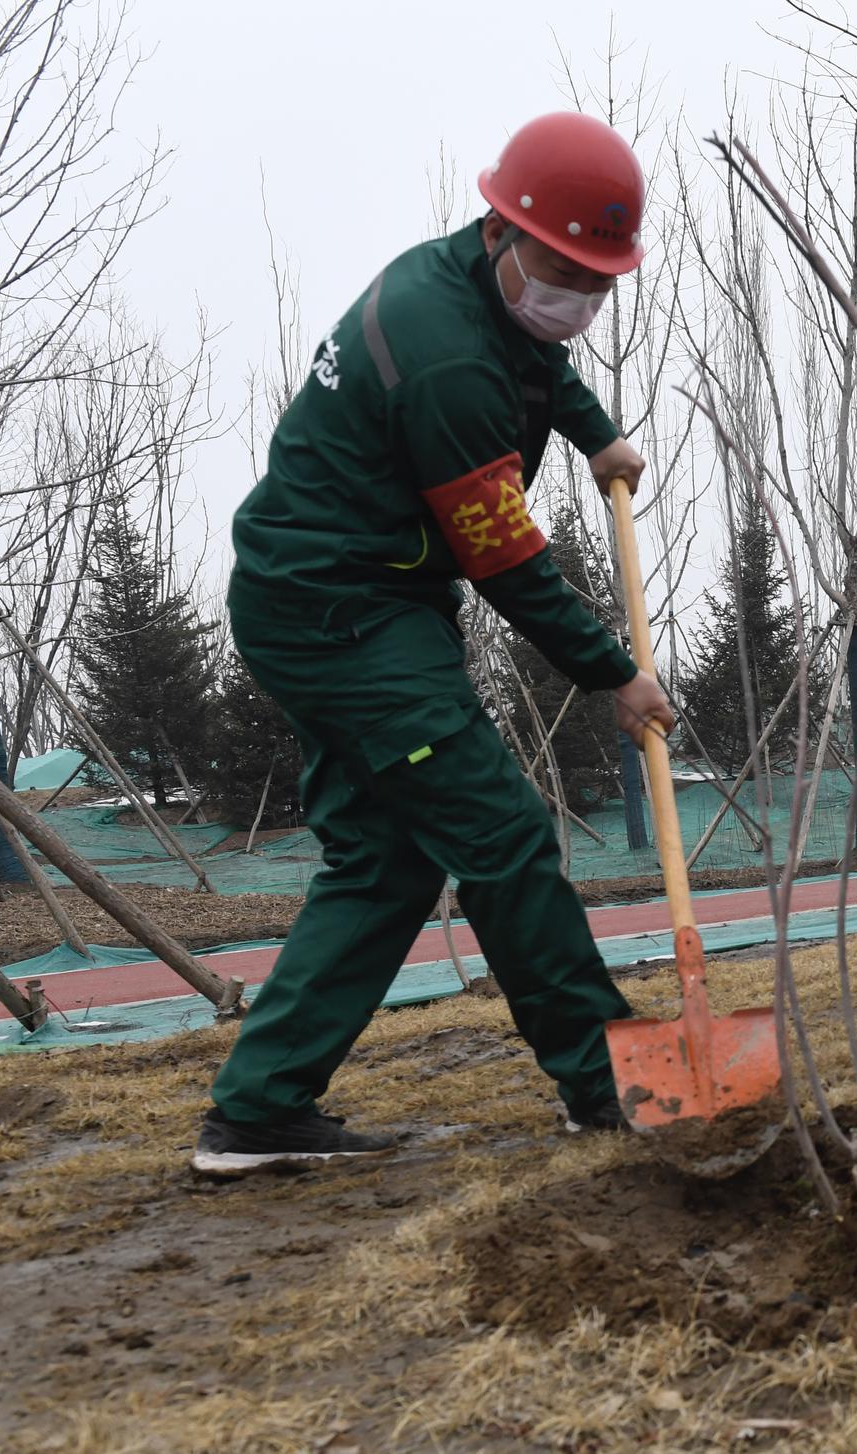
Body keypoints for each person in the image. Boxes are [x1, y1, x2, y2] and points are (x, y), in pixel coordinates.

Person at [192, 113, 675, 1174]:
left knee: (385, 858)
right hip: (341, 611)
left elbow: (539, 356)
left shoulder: (473, 284)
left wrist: (595, 433)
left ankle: (259, 1108)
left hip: (342, 596)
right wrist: (614, 674)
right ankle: (608, 1083)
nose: (577, 298)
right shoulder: (444, 351)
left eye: (597, 281)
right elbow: (504, 560)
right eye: (561, 269)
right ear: (505, 231)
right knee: (499, 833)